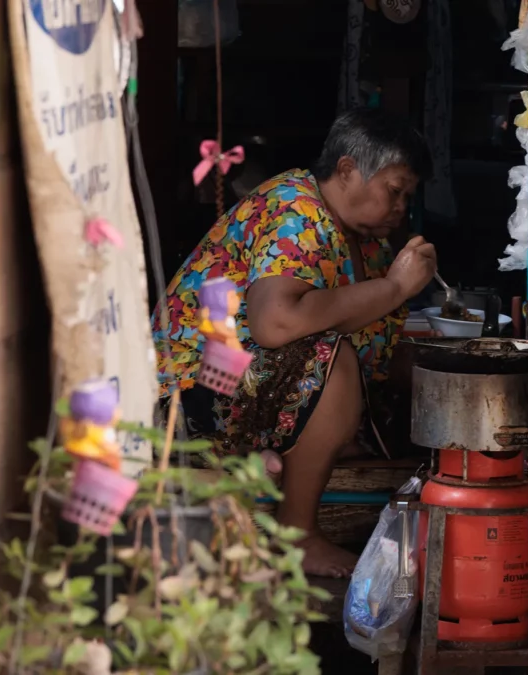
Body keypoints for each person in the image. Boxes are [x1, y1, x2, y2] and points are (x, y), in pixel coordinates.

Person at [154, 109, 436, 577]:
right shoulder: (296, 210)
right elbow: (276, 323)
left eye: (407, 196)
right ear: (347, 170)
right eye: (394, 190)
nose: (402, 207)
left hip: (236, 392)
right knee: (331, 358)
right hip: (182, 396)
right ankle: (299, 534)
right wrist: (394, 289)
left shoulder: (366, 242)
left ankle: (288, 454)